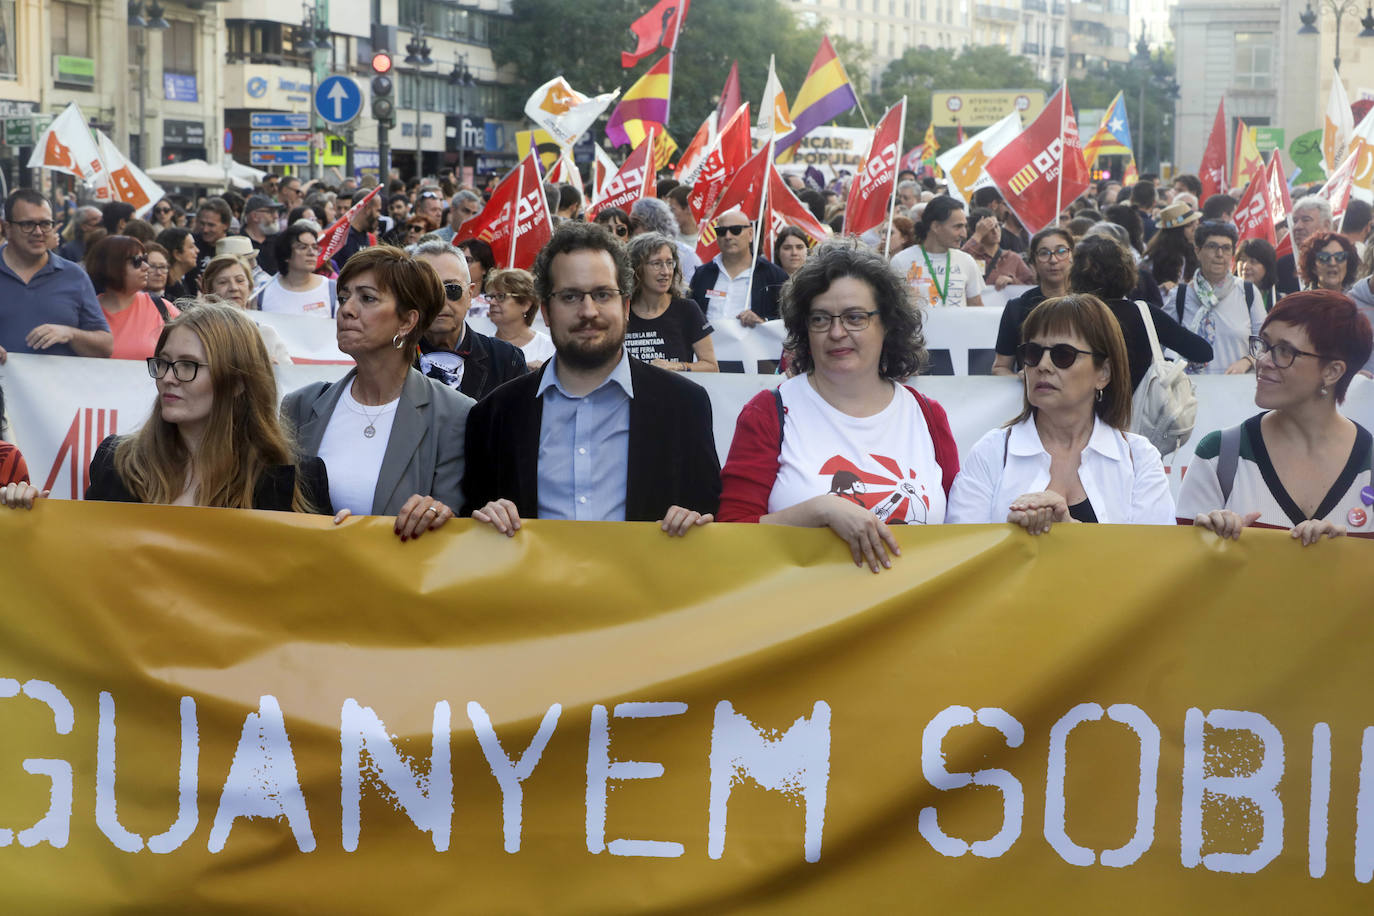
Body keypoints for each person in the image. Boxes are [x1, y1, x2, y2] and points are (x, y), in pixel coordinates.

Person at [462, 221, 720, 536]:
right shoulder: (495, 416)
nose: (588, 311)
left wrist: (696, 521)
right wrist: (484, 519)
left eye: (602, 294)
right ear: (546, 311)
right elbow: (471, 522)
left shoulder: (684, 405)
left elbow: (710, 513)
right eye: (570, 296)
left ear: (625, 306)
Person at [718, 240, 959, 572]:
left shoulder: (927, 414)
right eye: (820, 319)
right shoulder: (768, 412)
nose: (836, 332)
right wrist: (819, 511)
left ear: (887, 323)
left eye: (855, 317)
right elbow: (729, 535)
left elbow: (963, 531)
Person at [1, 302, 329, 512]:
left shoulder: (296, 479)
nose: (168, 378)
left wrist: (342, 542)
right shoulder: (117, 464)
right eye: (164, 363)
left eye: (188, 365)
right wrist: (25, 521)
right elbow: (90, 568)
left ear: (240, 382)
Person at [282, 246, 474, 538]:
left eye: (367, 298)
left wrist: (435, 513)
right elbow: (274, 512)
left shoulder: (453, 414)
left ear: (407, 321)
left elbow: (453, 527)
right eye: (344, 297)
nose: (346, 309)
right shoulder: (301, 406)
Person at [948, 293, 1174, 532]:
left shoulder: (1139, 458)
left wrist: (1068, 528)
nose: (1043, 366)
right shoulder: (991, 452)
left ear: (1104, 373)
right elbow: (963, 550)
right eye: (1033, 353)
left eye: (1063, 355)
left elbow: (1152, 559)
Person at [1179, 290, 1374, 543]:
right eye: (1264, 345)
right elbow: (1182, 573)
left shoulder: (1368, 464)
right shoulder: (1219, 456)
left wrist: (1348, 559)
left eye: (1285, 351)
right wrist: (1213, 546)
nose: (1264, 360)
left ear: (1332, 371)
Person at [1061, 234, 1212, 389]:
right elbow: (1203, 352)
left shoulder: (1067, 315)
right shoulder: (1144, 314)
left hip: (1080, 406)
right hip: (1135, 408)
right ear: (1127, 272)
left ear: (1076, 275)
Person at [0, 189, 112, 362]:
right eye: (27, 224)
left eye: (45, 224)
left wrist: (70, 334)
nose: (38, 232)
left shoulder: (74, 275)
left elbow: (105, 347)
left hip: (58, 387)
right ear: (7, 227)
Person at [412, 238, 527, 401]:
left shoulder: (506, 361)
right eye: (427, 289)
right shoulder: (389, 358)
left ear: (470, 294)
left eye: (451, 289)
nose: (440, 300)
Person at [1173, 221, 1265, 374]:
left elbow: (1265, 341)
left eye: (1226, 248)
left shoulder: (1247, 292)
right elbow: (1164, 345)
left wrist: (1248, 360)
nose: (1219, 254)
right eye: (1212, 247)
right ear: (1197, 251)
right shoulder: (1180, 295)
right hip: (1191, 390)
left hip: (1235, 389)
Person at [625, 233, 717, 373]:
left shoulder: (687, 309)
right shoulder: (621, 311)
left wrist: (677, 366)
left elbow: (712, 367)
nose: (666, 272)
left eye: (669, 263)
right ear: (637, 268)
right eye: (657, 264)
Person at [992, 227, 1074, 375]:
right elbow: (1000, 367)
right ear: (1033, 263)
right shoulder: (1017, 308)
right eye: (1044, 253)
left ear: (1072, 256)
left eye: (1061, 252)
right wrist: (1021, 380)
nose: (1053, 260)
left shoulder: (1090, 305)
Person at [688, 208, 789, 326]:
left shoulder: (774, 276)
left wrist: (763, 322)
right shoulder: (702, 274)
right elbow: (690, 317)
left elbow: (786, 323)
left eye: (735, 230)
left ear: (750, 234)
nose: (728, 236)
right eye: (721, 231)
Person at [86, 235, 180, 360]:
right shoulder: (87, 312)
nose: (146, 266)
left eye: (144, 259)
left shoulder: (163, 308)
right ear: (112, 266)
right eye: (137, 261)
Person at [890, 195, 986, 307]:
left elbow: (976, 306)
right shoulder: (901, 261)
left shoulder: (967, 261)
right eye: (957, 227)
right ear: (935, 226)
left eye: (965, 227)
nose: (964, 234)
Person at [200, 254, 293, 364]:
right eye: (223, 282)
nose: (233, 288)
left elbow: (289, 378)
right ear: (209, 290)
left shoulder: (265, 334)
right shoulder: (200, 335)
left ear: (250, 287)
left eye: (240, 280)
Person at [255, 223, 336, 316]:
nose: (311, 253)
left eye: (315, 247)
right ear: (286, 254)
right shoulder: (262, 293)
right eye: (303, 247)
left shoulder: (331, 289)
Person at [485, 267, 556, 369]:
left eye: (501, 296)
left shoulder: (548, 347)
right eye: (491, 297)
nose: (492, 302)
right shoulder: (483, 347)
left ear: (525, 304)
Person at [962, 206, 1034, 290]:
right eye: (989, 228)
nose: (995, 231)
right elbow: (957, 262)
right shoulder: (970, 257)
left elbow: (1031, 287)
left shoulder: (1012, 258)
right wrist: (978, 235)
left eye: (997, 226)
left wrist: (1012, 281)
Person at [630, 197, 701, 281]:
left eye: (669, 263)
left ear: (652, 224)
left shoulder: (686, 255)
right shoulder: (630, 252)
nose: (630, 229)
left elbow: (692, 291)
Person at [1277, 197, 1333, 295]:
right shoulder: (1282, 265)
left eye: (1306, 220)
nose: (1298, 226)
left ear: (1326, 225)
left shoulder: (1340, 259)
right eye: (1295, 221)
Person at [1142, 201, 1200, 294]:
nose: (1195, 228)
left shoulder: (1194, 250)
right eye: (1189, 225)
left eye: (1195, 223)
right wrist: (1161, 288)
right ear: (1177, 231)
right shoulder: (1154, 257)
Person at [241, 195, 286, 276]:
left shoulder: (280, 240)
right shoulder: (239, 242)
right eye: (270, 212)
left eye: (276, 212)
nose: (276, 216)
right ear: (254, 216)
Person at [157, 227, 200, 301]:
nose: (197, 250)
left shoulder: (182, 282)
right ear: (177, 254)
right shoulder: (167, 290)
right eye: (191, 247)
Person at [1237, 238, 1278, 311]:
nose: (1245, 266)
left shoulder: (1278, 302)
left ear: (1267, 267)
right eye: (1242, 260)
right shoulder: (1226, 296)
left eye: (1253, 262)